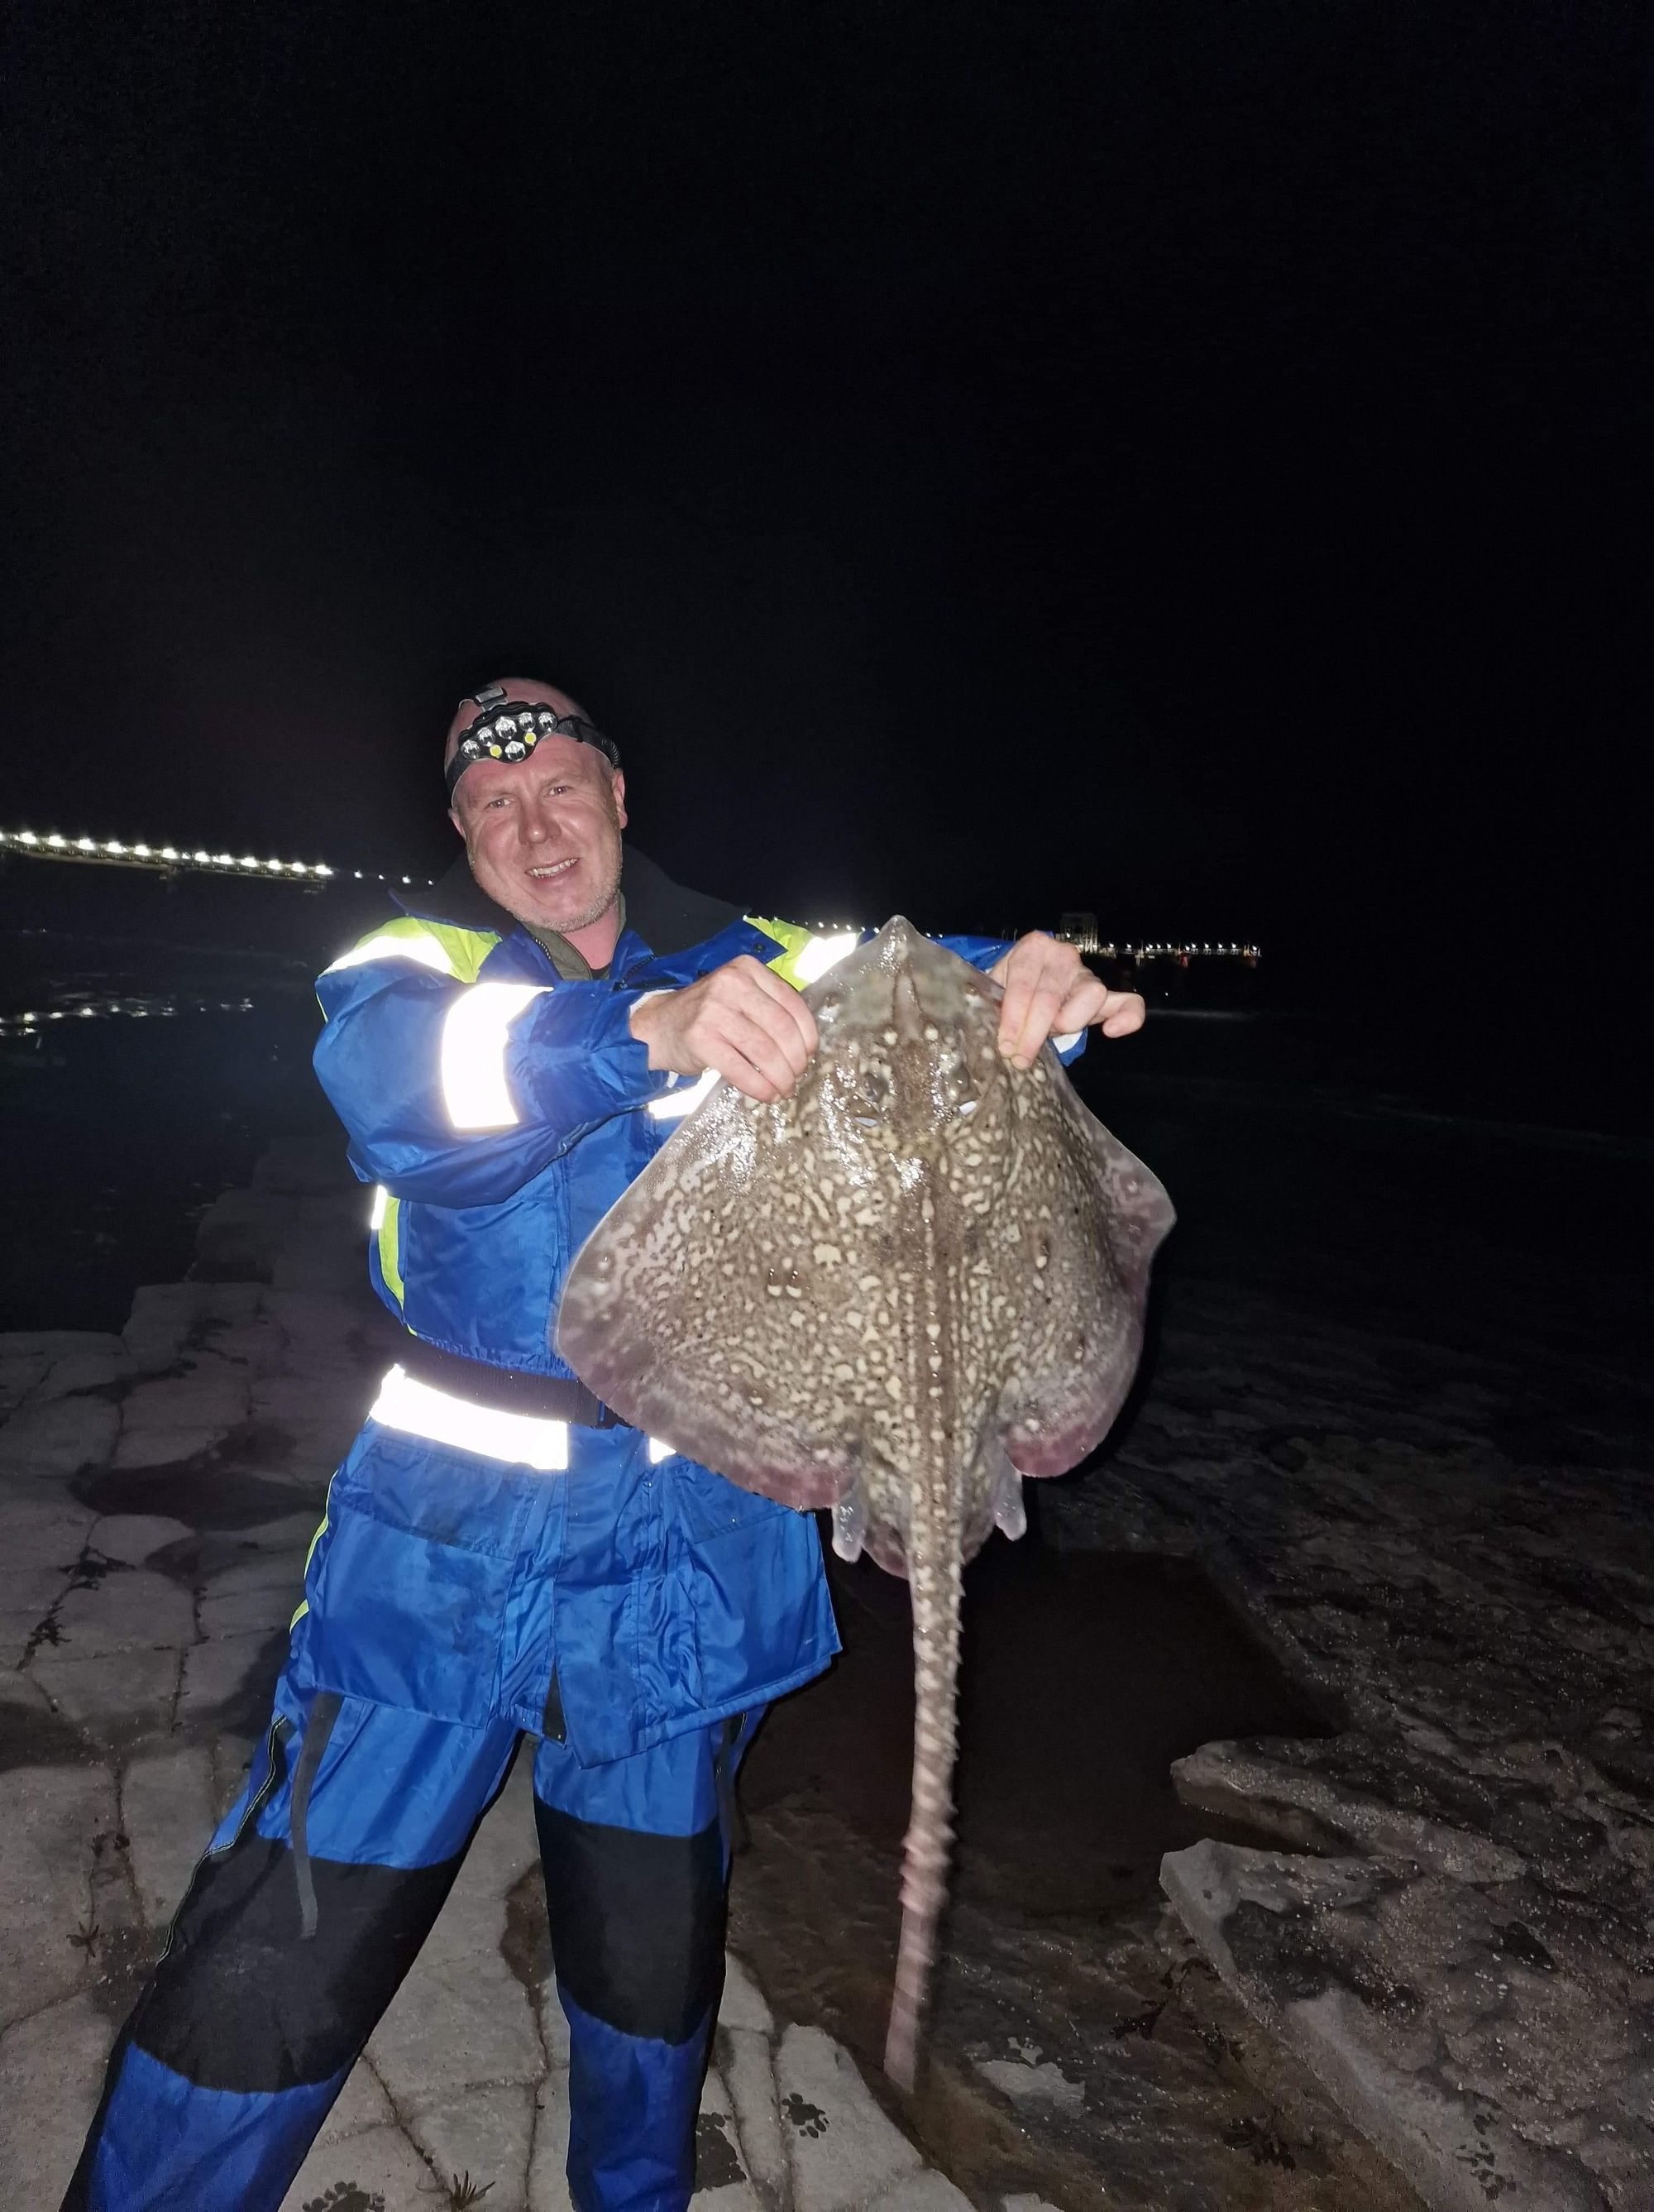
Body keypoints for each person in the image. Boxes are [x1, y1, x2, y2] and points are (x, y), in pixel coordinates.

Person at [65, 677, 1145, 2212]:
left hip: (686, 1547)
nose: (534, 825)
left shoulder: (759, 957)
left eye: (561, 787)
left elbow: (916, 980)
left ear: (621, 797)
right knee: (281, 1956)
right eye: (495, 806)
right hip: (441, 1547)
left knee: (649, 1976)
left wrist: (1033, 984)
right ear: (461, 831)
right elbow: (404, 1091)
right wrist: (644, 1027)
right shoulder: (411, 959)